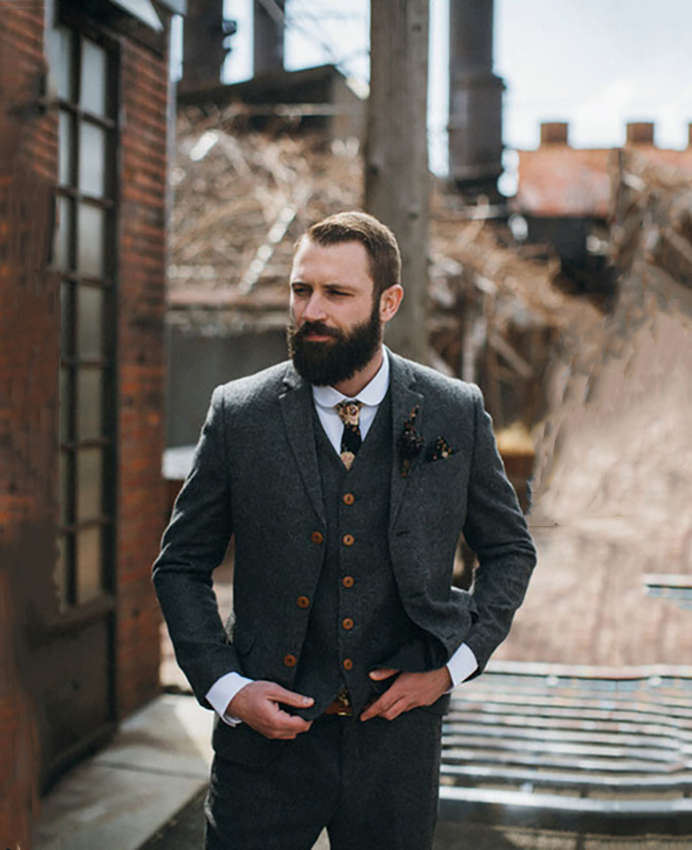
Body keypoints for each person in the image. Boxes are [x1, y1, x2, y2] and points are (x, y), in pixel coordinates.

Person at [153, 211, 537, 850]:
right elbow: (179, 566)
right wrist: (228, 688)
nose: (311, 311)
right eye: (302, 290)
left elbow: (509, 550)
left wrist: (452, 668)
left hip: (396, 752)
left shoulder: (453, 410)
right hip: (264, 755)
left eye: (337, 293)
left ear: (387, 303)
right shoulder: (239, 413)